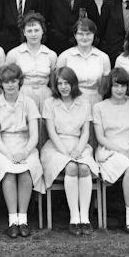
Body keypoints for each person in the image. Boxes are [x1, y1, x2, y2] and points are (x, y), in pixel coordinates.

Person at [92, 68, 129, 235]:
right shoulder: (99, 107)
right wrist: (123, 152)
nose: (120, 89)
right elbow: (101, 137)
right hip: (109, 149)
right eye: (116, 85)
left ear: (128, 87)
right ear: (109, 87)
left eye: (123, 86)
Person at [0, 64, 45, 238]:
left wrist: (25, 153)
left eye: (13, 81)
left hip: (25, 145)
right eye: (6, 82)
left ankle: (23, 220)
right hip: (2, 147)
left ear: (19, 82)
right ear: (1, 84)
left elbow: (34, 135)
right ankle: (13, 221)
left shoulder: (29, 102)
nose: (10, 85)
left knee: (26, 171)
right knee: (9, 172)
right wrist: (9, 155)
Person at [40, 67, 99, 236]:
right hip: (56, 147)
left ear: (73, 84)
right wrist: (66, 153)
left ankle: (84, 218)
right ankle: (74, 217)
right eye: (60, 83)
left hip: (79, 144)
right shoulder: (49, 103)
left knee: (84, 168)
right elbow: (51, 132)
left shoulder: (84, 102)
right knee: (72, 167)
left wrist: (78, 149)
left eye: (67, 83)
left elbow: (86, 132)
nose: (63, 87)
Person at [5, 12, 57, 109]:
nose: (33, 34)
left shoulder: (51, 55)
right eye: (29, 31)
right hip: (22, 96)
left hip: (46, 97)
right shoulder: (14, 54)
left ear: (42, 31)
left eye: (36, 30)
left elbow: (53, 83)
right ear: (24, 32)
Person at [56, 18, 110, 107]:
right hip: (71, 100)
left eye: (88, 34)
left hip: (95, 101)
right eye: (80, 34)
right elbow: (58, 82)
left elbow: (104, 85)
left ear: (94, 35)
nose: (84, 38)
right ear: (75, 35)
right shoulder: (65, 56)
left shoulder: (103, 57)